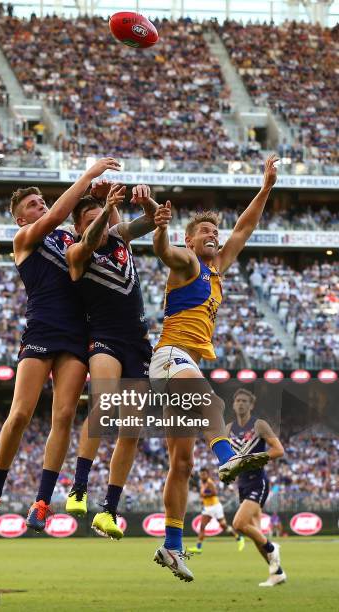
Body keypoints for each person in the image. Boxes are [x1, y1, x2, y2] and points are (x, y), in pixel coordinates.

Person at [0, 157, 120, 533]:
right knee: (20, 413)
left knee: (64, 415)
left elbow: (98, 232)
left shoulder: (70, 237)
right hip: (40, 330)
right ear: (21, 219)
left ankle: (42, 501)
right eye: (32, 206)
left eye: (41, 201)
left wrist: (100, 202)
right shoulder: (24, 238)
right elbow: (55, 217)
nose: (40, 207)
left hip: (76, 333)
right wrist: (88, 177)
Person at [149, 155, 279, 582]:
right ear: (191, 240)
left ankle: (171, 545)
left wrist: (265, 189)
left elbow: (245, 227)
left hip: (177, 366)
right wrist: (162, 227)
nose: (213, 235)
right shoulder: (186, 262)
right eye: (205, 231)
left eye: (214, 232)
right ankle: (226, 458)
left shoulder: (217, 267)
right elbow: (162, 250)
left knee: (181, 464)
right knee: (209, 398)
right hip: (171, 357)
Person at [65, 184, 158, 539]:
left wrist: (145, 200)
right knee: (103, 406)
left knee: (131, 429)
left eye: (101, 220)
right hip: (104, 338)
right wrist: (104, 208)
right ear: (78, 227)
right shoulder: (77, 252)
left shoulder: (118, 236)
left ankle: (108, 510)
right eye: (89, 221)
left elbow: (148, 221)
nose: (99, 226)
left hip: (137, 343)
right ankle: (78, 487)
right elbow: (89, 240)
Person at [228, 388, 286, 587]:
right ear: (233, 404)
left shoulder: (259, 425)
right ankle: (277, 573)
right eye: (238, 400)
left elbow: (278, 450)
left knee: (238, 524)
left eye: (245, 401)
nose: (241, 403)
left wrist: (254, 458)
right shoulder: (228, 429)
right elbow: (229, 459)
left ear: (251, 405)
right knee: (255, 533)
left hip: (258, 482)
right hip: (241, 484)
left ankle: (272, 548)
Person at [187, 468, 244, 554]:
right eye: (201, 474)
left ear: (207, 475)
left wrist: (204, 495)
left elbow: (214, 493)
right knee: (202, 526)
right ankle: (198, 547)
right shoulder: (202, 482)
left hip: (215, 506)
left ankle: (239, 538)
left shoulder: (209, 482)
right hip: (207, 508)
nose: (202, 476)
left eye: (204, 474)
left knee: (223, 525)